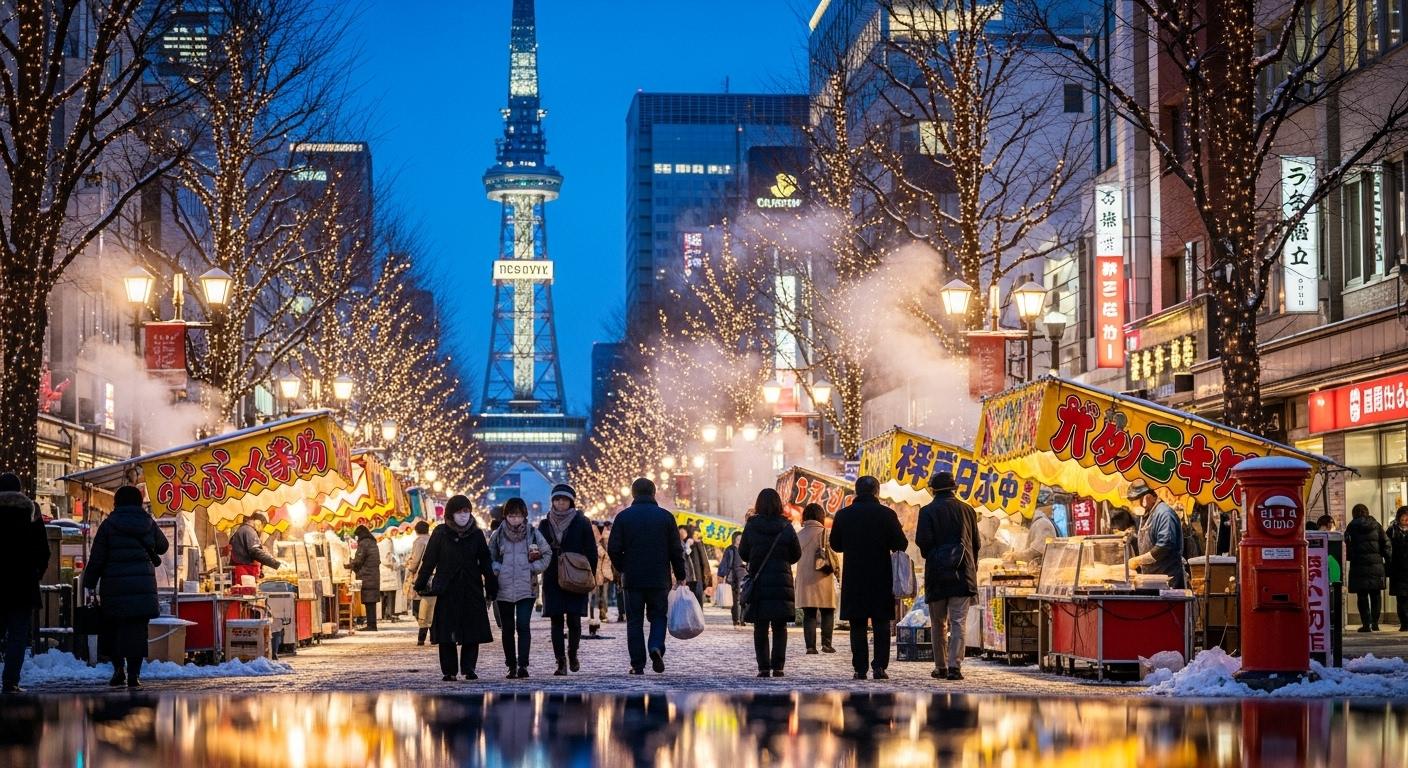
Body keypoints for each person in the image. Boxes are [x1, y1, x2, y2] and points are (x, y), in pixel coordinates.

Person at [82, 485, 169, 689]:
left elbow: (97, 559)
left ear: (117, 502)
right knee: (137, 632)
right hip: (142, 587)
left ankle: (118, 670)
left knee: (113, 629)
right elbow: (163, 546)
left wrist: (89, 584)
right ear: (139, 502)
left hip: (114, 588)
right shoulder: (148, 523)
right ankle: (134, 675)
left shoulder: (108, 525)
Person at [829, 475, 908, 680]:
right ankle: (880, 667)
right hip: (881, 575)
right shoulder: (887, 514)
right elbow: (901, 544)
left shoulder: (844, 515)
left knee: (858, 624)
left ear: (856, 491)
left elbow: (835, 545)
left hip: (854, 576)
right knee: (881, 623)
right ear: (877, 492)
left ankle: (860, 668)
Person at [607, 478, 687, 675]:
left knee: (634, 622)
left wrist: (623, 568)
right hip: (659, 578)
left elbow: (613, 548)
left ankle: (637, 664)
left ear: (633, 493)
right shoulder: (666, 517)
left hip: (633, 579)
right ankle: (656, 647)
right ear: (654, 492)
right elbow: (676, 550)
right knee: (659, 616)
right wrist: (680, 574)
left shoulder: (623, 517)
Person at [414, 495, 497, 681]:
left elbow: (485, 561)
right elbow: (429, 560)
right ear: (451, 513)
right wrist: (421, 582)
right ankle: (449, 671)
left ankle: (469, 668)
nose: (463, 515)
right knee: (446, 633)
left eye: (466, 511)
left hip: (471, 588)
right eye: (459, 512)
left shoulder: (476, 534)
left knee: (471, 632)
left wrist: (491, 585)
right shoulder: (440, 533)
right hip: (447, 589)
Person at [916, 471, 979, 681]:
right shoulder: (968, 510)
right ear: (954, 489)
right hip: (963, 574)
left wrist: (935, 555)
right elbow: (976, 544)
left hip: (936, 573)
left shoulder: (927, 511)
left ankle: (940, 666)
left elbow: (922, 542)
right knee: (959, 621)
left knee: (938, 623)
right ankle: (955, 667)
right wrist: (970, 566)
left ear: (933, 489)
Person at [739, 488, 801, 677]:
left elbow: (743, 552)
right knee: (780, 627)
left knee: (760, 627)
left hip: (759, 582)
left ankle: (763, 667)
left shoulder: (752, 525)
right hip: (781, 582)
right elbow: (796, 554)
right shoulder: (786, 526)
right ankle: (778, 667)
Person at [0, 472, 51, 694]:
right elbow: (44, 551)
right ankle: (11, 681)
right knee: (18, 635)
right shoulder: (31, 513)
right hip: (23, 584)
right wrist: (35, 574)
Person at [489, 497, 550, 678]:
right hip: (503, 588)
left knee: (523, 625)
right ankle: (511, 665)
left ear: (524, 515)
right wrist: (496, 569)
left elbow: (547, 553)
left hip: (527, 588)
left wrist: (534, 568)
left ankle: (523, 664)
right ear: (505, 516)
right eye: (511, 515)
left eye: (518, 515)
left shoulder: (532, 533)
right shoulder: (497, 535)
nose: (515, 519)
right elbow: (488, 557)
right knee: (507, 628)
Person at [540, 483, 598, 675]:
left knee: (574, 620)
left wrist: (590, 575)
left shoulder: (582, 522)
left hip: (576, 576)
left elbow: (591, 550)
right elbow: (537, 549)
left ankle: (572, 653)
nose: (560, 503)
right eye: (557, 499)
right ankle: (560, 661)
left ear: (571, 501)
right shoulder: (544, 523)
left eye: (564, 499)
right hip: (552, 577)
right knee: (556, 621)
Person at [1124, 481, 1186, 589]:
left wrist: (1138, 560)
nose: (1133, 506)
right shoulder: (1148, 514)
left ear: (1146, 498)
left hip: (1169, 583)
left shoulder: (1164, 514)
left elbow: (1164, 546)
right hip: (1153, 581)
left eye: (1134, 502)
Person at [795, 503, 837, 654]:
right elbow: (835, 557)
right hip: (823, 576)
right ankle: (827, 644)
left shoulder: (798, 535)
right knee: (827, 611)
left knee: (809, 613)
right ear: (821, 517)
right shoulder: (827, 534)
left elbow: (793, 557)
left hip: (805, 579)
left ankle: (810, 647)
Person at [1345, 503, 1391, 632]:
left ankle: (1366, 624)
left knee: (1362, 596)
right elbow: (1386, 543)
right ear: (1367, 512)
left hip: (1358, 565)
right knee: (1376, 595)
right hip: (1376, 564)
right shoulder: (1376, 525)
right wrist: (1387, 559)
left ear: (1354, 513)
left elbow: (1346, 546)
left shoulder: (1351, 527)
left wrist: (1351, 556)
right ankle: (1375, 623)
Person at [404, 520, 435, 645]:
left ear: (416, 530)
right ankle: (434, 637)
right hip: (433, 578)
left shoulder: (419, 541)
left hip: (420, 577)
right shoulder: (433, 540)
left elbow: (415, 560)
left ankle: (422, 636)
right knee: (432, 608)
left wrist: (410, 567)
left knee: (419, 608)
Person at [347, 525, 382, 631]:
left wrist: (350, 564)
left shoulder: (364, 543)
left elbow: (358, 560)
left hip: (367, 575)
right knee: (371, 601)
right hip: (374, 575)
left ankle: (371, 625)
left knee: (369, 601)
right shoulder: (373, 542)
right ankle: (372, 624)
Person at [229, 511, 280, 584]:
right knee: (245, 593)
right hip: (244, 572)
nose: (261, 529)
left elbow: (250, 549)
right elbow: (255, 551)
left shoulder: (244, 529)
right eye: (263, 526)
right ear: (258, 522)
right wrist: (275, 564)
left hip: (244, 571)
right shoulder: (249, 531)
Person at [716, 532, 748, 626]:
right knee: (735, 599)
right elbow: (725, 562)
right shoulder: (730, 550)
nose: (740, 541)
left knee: (744, 599)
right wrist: (721, 575)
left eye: (741, 539)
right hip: (733, 577)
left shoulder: (746, 549)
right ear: (734, 540)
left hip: (745, 576)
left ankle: (742, 619)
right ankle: (736, 619)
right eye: (738, 539)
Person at [589, 522, 614, 635]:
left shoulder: (607, 534)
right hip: (594, 571)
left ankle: (601, 614)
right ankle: (592, 615)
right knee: (593, 595)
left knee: (603, 595)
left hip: (603, 570)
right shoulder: (592, 534)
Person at [682, 525, 713, 607]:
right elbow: (704, 563)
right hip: (691, 578)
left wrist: (708, 581)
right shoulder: (686, 543)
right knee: (693, 603)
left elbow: (704, 562)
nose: (698, 536)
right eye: (696, 534)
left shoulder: (696, 544)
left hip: (696, 578)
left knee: (696, 603)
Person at [1388, 506, 1408, 632]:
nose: (1406, 519)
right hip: (1398, 569)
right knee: (1401, 599)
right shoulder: (1392, 530)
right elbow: (1387, 548)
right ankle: (1404, 623)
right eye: (1404, 516)